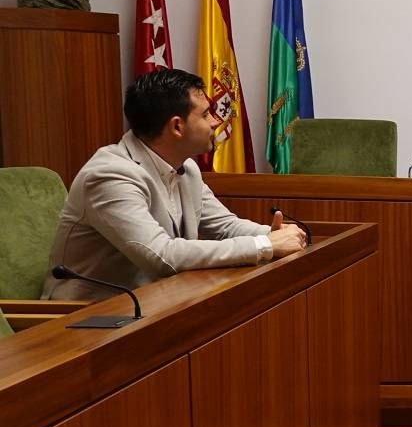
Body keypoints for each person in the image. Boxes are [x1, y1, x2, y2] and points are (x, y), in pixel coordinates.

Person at [43, 68, 307, 300]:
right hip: (88, 320)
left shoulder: (186, 166)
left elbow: (223, 226)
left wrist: (273, 234)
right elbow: (161, 256)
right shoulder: (110, 176)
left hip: (157, 304)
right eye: (206, 115)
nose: (216, 122)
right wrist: (265, 246)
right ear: (177, 127)